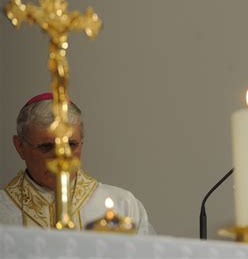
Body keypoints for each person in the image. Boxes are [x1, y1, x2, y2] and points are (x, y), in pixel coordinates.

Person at [0, 93, 155, 234]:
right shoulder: (4, 210)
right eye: (47, 147)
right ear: (20, 146)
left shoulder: (123, 205)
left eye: (71, 145)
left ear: (82, 143)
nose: (61, 159)